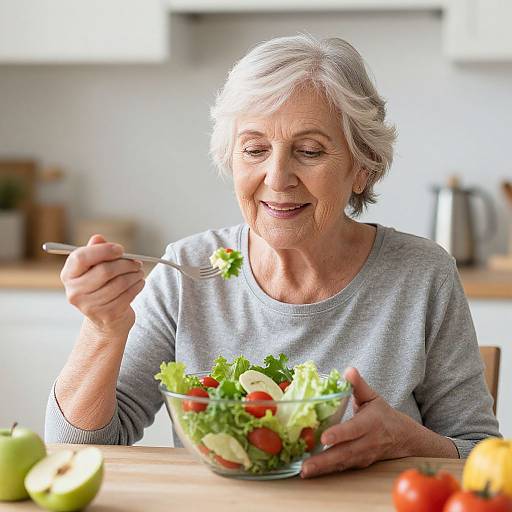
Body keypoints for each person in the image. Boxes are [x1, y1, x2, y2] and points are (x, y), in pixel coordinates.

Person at [45, 34, 500, 478]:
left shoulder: (422, 275)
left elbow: (483, 456)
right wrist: (103, 330)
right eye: (255, 149)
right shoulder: (185, 270)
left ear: (362, 168)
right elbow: (74, 450)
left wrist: (407, 440)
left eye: (309, 151)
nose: (277, 177)